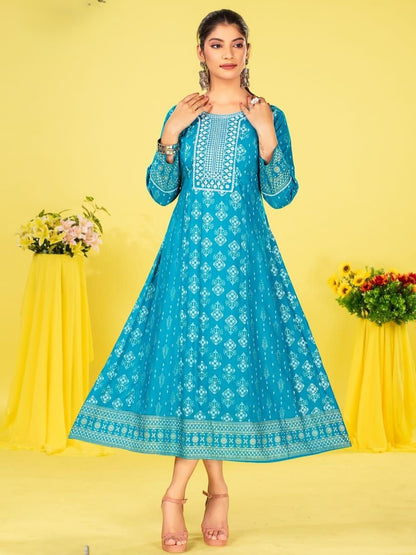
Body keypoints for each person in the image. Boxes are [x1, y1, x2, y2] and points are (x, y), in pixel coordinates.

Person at [69, 9, 352, 553]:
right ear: (200, 52)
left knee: (222, 366)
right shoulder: (184, 113)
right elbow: (160, 192)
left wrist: (266, 136)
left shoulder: (268, 114)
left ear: (248, 52)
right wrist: (169, 135)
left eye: (237, 44)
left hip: (243, 259)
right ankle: (215, 489)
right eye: (217, 44)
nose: (228, 53)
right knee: (195, 367)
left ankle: (176, 494)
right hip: (188, 258)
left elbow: (281, 195)